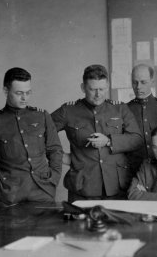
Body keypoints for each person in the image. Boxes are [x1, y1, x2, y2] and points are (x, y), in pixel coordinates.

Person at [52, 65, 142, 202]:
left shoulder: (120, 108)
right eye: (93, 89)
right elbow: (39, 135)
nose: (98, 94)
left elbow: (137, 139)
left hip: (116, 186)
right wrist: (59, 156)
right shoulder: (68, 111)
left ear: (107, 86)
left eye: (102, 89)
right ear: (83, 87)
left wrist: (109, 141)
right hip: (82, 187)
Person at [0, 67, 63, 206]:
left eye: (28, 92)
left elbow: (55, 149)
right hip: (9, 195)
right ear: (5, 91)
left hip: (43, 191)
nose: (24, 97)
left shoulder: (42, 116)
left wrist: (54, 178)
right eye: (19, 93)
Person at [127, 64, 157, 175]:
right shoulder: (125, 110)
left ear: (152, 81)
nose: (138, 87)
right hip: (134, 171)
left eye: (143, 82)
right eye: (134, 82)